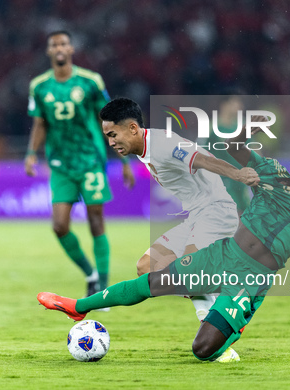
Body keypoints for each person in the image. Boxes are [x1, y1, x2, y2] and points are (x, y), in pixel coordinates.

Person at [37, 121, 290, 362]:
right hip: (222, 255)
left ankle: (234, 322)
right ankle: (78, 306)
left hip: (253, 277)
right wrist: (240, 133)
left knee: (202, 350)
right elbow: (236, 148)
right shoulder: (272, 173)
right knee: (151, 282)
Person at [100, 98, 258, 361]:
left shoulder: (162, 145)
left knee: (192, 273)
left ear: (132, 129)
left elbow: (203, 160)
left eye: (113, 135)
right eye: (107, 136)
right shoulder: (145, 148)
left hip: (216, 211)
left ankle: (220, 331)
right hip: (197, 215)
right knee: (147, 267)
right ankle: (219, 305)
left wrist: (238, 174)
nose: (111, 142)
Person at [25, 31, 135, 296]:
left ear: (71, 48)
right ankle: (91, 274)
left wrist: (124, 158)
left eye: (63, 43)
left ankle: (104, 288)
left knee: (95, 220)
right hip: (61, 164)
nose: (59, 48)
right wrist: (31, 153)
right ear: (49, 51)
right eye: (54, 44)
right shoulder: (39, 86)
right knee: (59, 226)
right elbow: (40, 122)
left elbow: (108, 121)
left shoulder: (90, 81)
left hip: (90, 160)